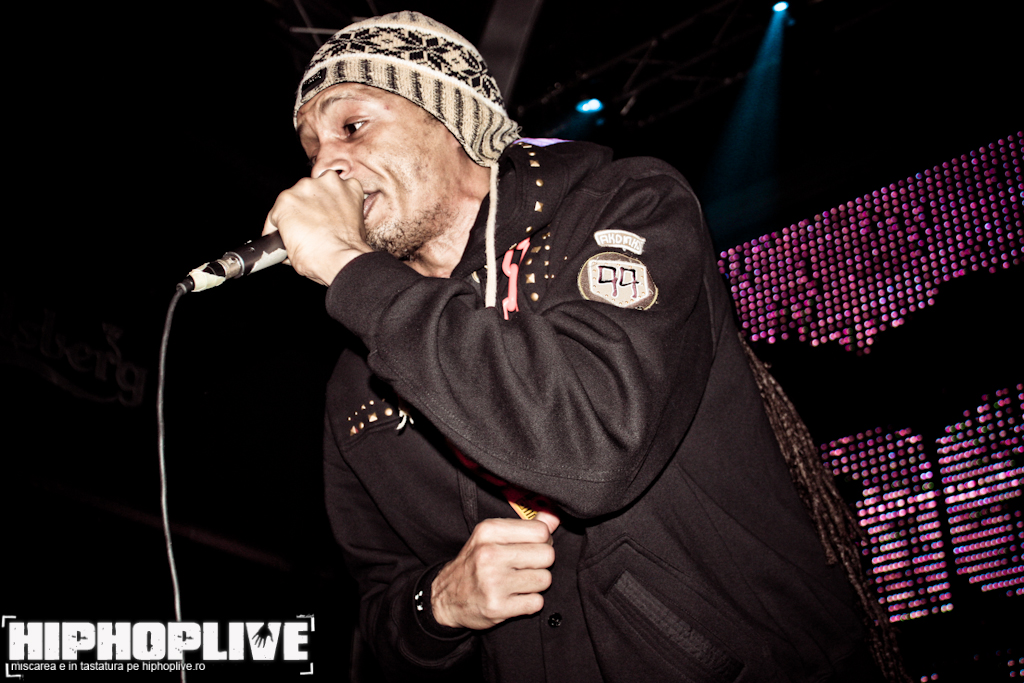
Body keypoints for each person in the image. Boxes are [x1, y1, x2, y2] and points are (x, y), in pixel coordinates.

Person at [264, 11, 899, 683]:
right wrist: (439, 604)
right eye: (312, 149)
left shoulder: (627, 205)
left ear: (450, 116)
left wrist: (350, 268)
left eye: (353, 126)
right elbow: (379, 616)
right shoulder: (356, 381)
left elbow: (594, 448)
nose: (325, 166)